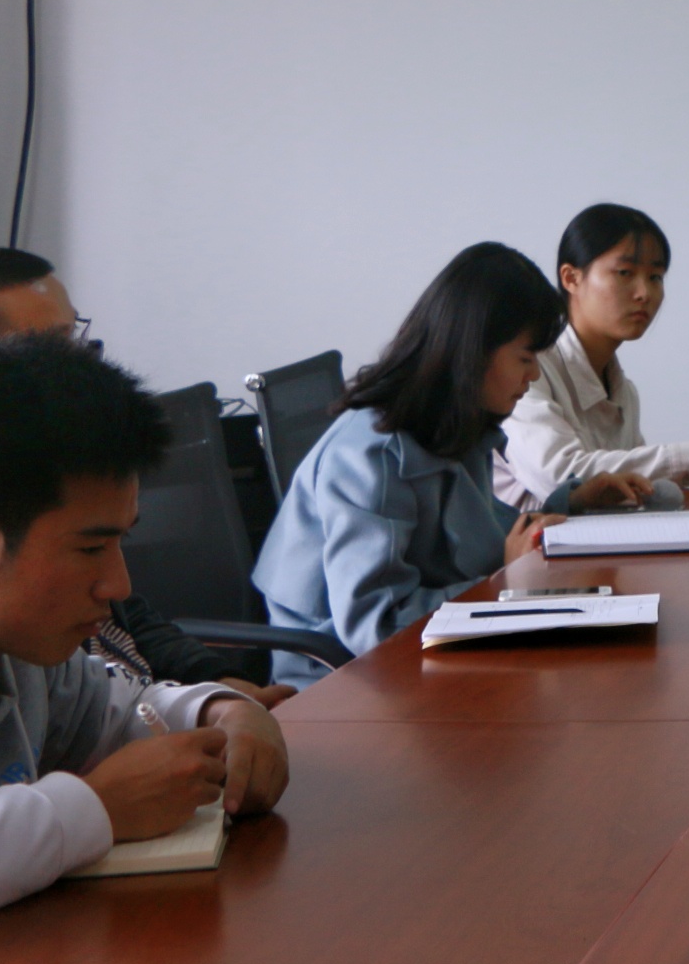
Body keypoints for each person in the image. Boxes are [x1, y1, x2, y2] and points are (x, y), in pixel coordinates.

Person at [0, 335, 289, 914]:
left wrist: (223, 712)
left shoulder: (19, 655)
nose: (118, 586)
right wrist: (95, 808)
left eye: (120, 542)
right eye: (90, 548)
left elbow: (125, 710)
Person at [252, 243, 654, 684]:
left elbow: (479, 537)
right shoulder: (375, 454)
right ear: (474, 352)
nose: (534, 375)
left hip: (430, 657)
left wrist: (570, 504)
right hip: (342, 682)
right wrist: (505, 583)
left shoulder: (454, 425)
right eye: (525, 358)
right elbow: (377, 624)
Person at [0, 247, 290, 706]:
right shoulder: (20, 633)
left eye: (77, 338)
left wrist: (215, 688)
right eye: (50, 348)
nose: (82, 366)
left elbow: (126, 619)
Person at [494, 204, 689, 512]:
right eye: (625, 273)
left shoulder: (624, 391)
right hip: (526, 543)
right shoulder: (529, 371)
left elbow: (634, 488)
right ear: (571, 278)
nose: (644, 293)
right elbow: (563, 480)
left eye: (656, 277)